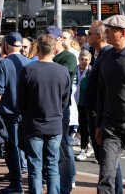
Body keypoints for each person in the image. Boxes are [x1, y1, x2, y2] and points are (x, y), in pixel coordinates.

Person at [18, 34, 70, 194]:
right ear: (54, 50)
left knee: (35, 166)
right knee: (53, 165)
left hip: (34, 124)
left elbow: (21, 101)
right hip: (54, 124)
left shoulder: (28, 70)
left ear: (38, 49)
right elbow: (65, 101)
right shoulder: (62, 71)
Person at [96, 15, 125, 193]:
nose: (106, 33)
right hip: (111, 124)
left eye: (111, 30)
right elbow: (101, 91)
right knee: (106, 174)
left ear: (124, 33)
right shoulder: (105, 56)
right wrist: (99, 124)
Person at [0, 32, 30, 194]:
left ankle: (17, 184)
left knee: (13, 148)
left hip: (10, 113)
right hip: (27, 113)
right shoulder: (29, 62)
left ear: (7, 45)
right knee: (28, 148)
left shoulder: (4, 63)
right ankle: (33, 183)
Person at [86, 20, 123, 194]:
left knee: (109, 163)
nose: (87, 36)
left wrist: (99, 118)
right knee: (107, 163)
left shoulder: (107, 55)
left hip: (104, 116)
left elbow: (103, 90)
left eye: (89, 33)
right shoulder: (100, 55)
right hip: (98, 114)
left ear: (99, 36)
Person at [46, 26, 77, 194]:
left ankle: (68, 181)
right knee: (54, 149)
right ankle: (55, 182)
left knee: (64, 147)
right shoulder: (51, 56)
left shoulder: (68, 57)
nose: (50, 40)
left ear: (60, 39)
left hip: (62, 108)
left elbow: (64, 78)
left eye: (53, 38)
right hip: (50, 108)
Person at [74, 50, 93, 161]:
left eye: (86, 59)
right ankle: (88, 146)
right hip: (75, 103)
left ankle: (83, 148)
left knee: (85, 126)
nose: (84, 61)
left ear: (90, 60)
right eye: (82, 59)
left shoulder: (92, 71)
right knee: (81, 126)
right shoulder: (74, 69)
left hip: (87, 104)